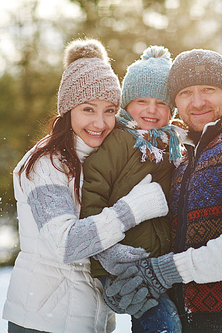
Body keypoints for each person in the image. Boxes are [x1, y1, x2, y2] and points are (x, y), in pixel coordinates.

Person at [103, 49, 222, 333]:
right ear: (176, 101)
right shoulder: (180, 153)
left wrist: (162, 272)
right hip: (177, 321)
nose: (198, 101)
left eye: (208, 89)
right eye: (186, 92)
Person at [2, 39, 170, 333]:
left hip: (93, 320)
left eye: (109, 110)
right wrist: (132, 209)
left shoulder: (103, 159)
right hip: (43, 322)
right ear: (68, 111)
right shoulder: (46, 165)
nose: (100, 122)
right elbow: (64, 244)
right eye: (88, 109)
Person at [80, 46, 184, 333]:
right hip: (118, 260)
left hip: (153, 262)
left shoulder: (172, 144)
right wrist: (107, 251)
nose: (151, 110)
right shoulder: (119, 141)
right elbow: (92, 195)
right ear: (126, 104)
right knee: (161, 322)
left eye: (161, 103)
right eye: (141, 101)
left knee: (160, 320)